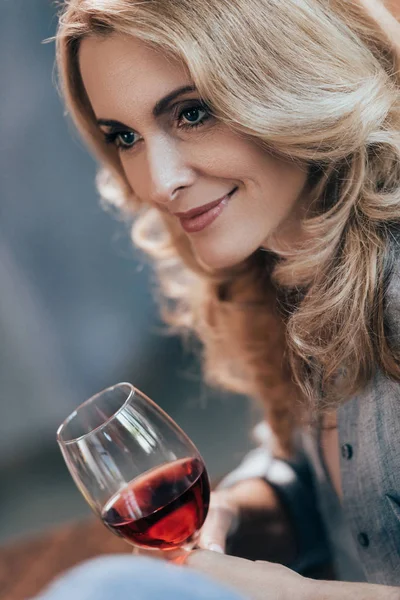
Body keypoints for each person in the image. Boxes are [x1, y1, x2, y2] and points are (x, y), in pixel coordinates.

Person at [48, 0, 400, 598]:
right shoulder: (286, 266)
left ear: (295, 79)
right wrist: (243, 509)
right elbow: (316, 474)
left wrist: (301, 596)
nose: (158, 183)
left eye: (193, 112)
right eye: (124, 137)